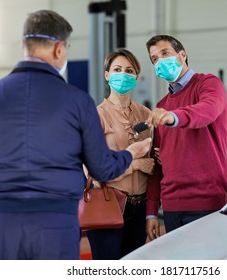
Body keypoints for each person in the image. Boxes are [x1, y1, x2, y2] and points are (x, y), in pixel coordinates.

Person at [0, 10, 151, 260]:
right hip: (58, 224)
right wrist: (130, 154)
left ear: (24, 45)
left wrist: (5, 191)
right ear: (59, 48)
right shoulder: (78, 102)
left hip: (3, 224)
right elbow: (101, 168)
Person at [144, 35, 227, 240]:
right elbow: (157, 166)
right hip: (173, 207)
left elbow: (207, 110)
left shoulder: (208, 84)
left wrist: (173, 116)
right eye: (154, 59)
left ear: (182, 55)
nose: (160, 61)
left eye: (165, 53)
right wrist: (151, 212)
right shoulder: (162, 105)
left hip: (207, 202)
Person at [86, 49, 154, 260]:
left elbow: (154, 162)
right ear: (107, 75)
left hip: (140, 207)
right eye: (117, 70)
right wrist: (136, 166)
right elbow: (96, 172)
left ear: (136, 77)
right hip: (108, 204)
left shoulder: (145, 114)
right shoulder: (96, 116)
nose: (123, 75)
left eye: (129, 70)